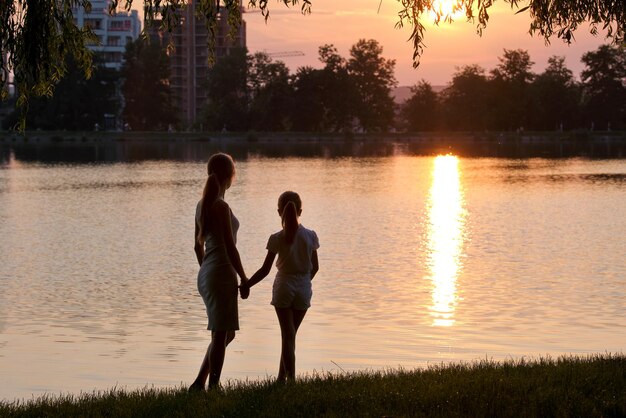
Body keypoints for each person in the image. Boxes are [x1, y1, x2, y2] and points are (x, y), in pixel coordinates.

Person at [240, 191, 319, 382]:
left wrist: (246, 284)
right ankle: (281, 378)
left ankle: (289, 380)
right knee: (290, 336)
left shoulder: (276, 238)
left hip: (284, 286)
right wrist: (304, 282)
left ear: (279, 212)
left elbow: (265, 270)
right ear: (301, 210)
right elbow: (315, 268)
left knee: (287, 336)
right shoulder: (311, 236)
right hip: (303, 287)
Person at [189, 153, 248, 391]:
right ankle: (213, 387)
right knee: (220, 334)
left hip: (206, 272)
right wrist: (243, 277)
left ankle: (198, 384)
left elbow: (197, 246)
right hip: (221, 273)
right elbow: (230, 247)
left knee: (224, 334)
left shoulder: (201, 205)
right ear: (230, 175)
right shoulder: (221, 207)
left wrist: (206, 271)